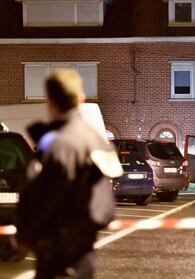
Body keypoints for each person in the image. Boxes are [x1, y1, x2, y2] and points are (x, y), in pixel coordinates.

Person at [16, 69, 123, 279]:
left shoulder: (59, 143)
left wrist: (24, 234)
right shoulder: (96, 140)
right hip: (84, 252)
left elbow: (42, 196)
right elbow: (106, 203)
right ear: (81, 99)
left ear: (50, 101)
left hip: (57, 253)